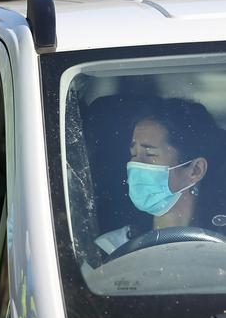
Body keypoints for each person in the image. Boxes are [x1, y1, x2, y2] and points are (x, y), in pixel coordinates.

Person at [95, 97, 224, 256]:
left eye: (149, 154)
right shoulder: (112, 248)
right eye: (133, 155)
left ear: (195, 170)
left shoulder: (221, 246)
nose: (136, 165)